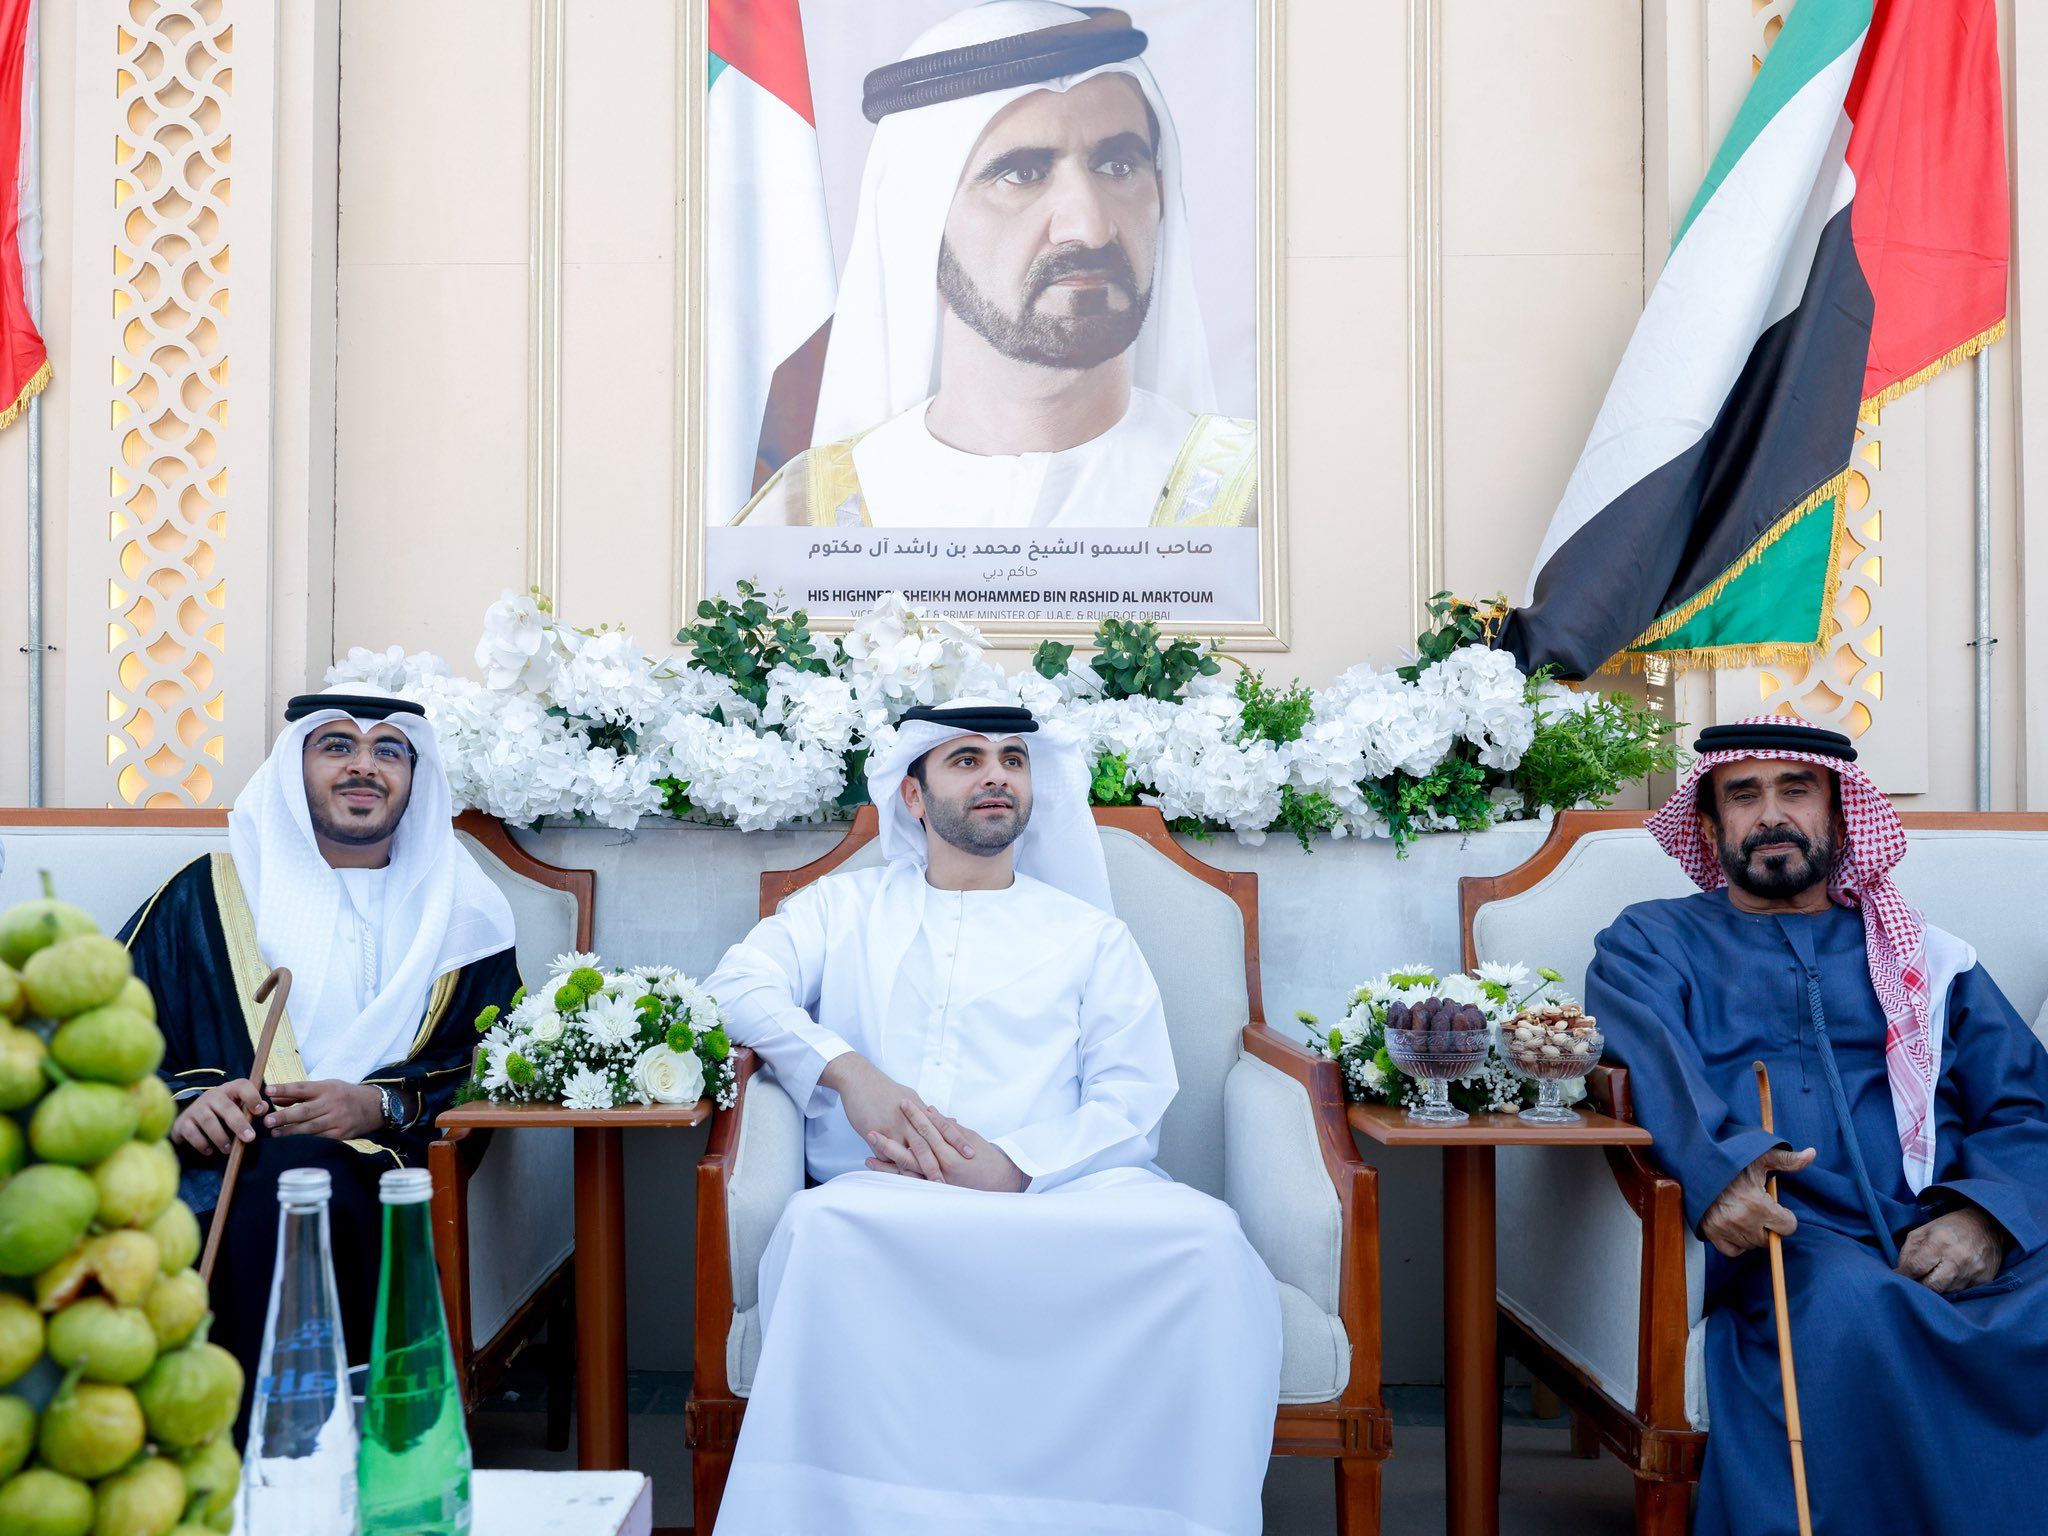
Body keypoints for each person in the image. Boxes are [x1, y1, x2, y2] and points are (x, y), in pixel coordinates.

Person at [704, 699, 1280, 1534]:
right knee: (820, 1231)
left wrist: (1016, 1166)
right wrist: (846, 1071)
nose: (996, 776)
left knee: (1210, 1241)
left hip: (1058, 1197)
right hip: (887, 1202)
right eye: (967, 760)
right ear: (913, 796)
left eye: (1013, 759)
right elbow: (732, 989)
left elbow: (1131, 1096)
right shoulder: (841, 909)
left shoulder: (1088, 934)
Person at [1587, 715, 2048, 1535]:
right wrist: (1722, 1174)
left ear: (1839, 815)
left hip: (1935, 1223)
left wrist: (1984, 1219)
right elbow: (1651, 1069)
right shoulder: (1653, 941)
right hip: (1788, 1236)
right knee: (1852, 1306)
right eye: (1743, 796)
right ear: (1709, 828)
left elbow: (2023, 1103)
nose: (1771, 815)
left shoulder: (1926, 958)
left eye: (1796, 791)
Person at [120, 690, 520, 1428]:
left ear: (414, 777)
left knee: (303, 1180)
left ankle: (274, 1437)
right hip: (214, 1164)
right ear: (292, 767)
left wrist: (379, 1104)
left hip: (382, 1163)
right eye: (336, 746)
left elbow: (496, 1063)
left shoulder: (465, 910)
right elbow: (112, 1036)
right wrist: (188, 1103)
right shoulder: (209, 892)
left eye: (388, 751)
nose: (364, 766)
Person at [731, 2, 1256, 531]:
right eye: (1023, 174)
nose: (1090, 227)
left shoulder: (1266, 506)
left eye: (1118, 167)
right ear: (920, 224)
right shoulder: (798, 525)